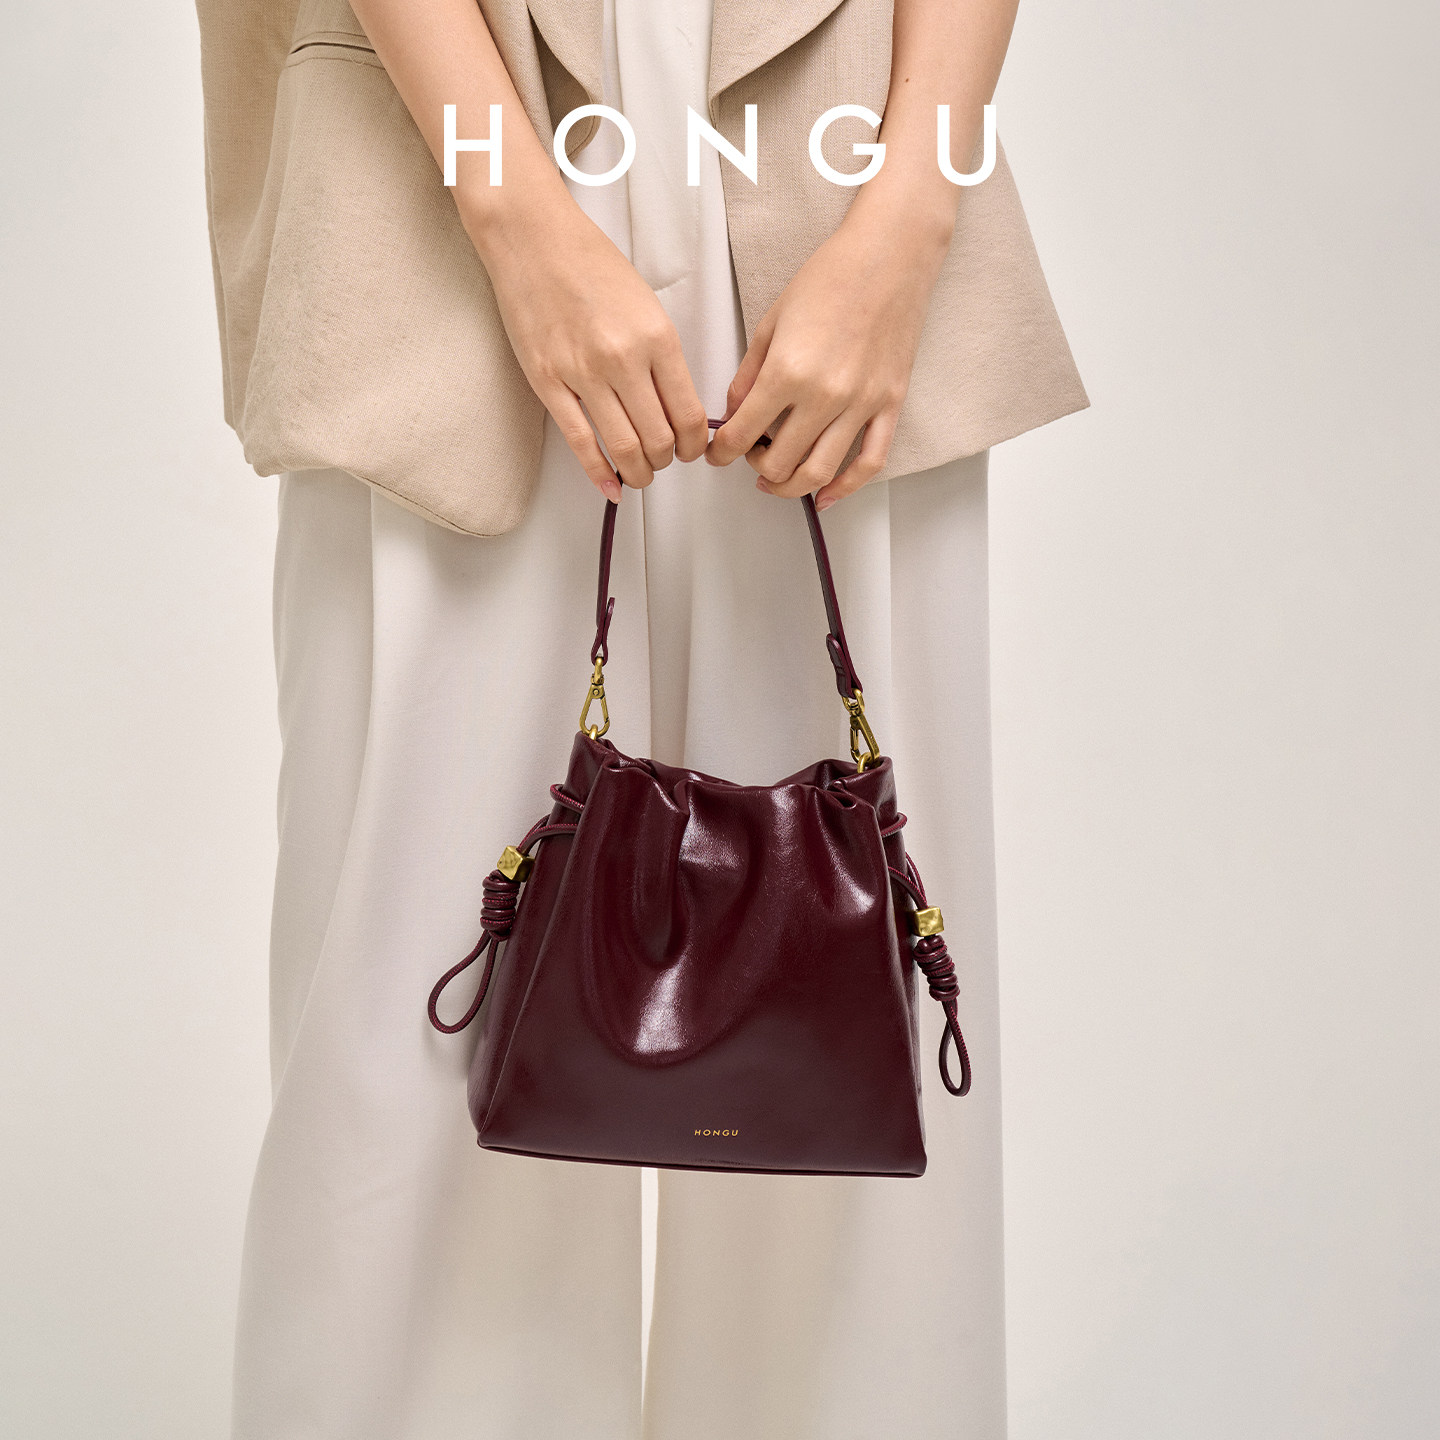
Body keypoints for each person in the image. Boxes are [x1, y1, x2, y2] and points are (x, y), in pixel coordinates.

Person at [196, 0, 1086, 1435]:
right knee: (417, 1025)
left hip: (844, 142)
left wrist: (911, 220)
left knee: (839, 1029)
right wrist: (517, 221)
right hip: (440, 111)